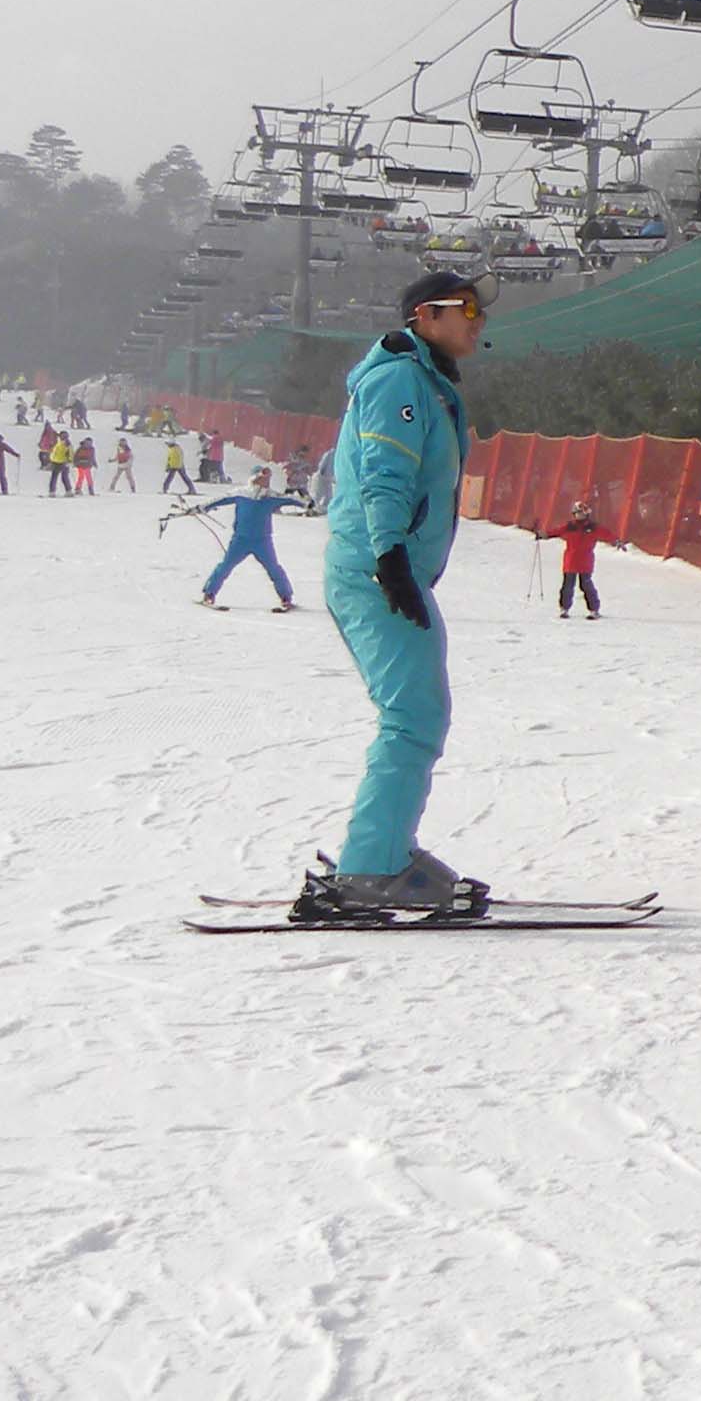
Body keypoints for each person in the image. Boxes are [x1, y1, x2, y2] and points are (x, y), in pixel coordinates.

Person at [303, 271, 488, 919]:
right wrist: (390, 559)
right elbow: (384, 474)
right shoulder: (400, 382)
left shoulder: (423, 381)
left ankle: (381, 852)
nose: (478, 321)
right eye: (467, 309)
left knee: (416, 713)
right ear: (425, 315)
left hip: (386, 566)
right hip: (376, 568)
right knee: (413, 715)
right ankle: (372, 866)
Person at [198, 474, 306, 610]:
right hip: (240, 540)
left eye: (268, 478)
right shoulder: (241, 493)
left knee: (274, 569)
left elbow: (291, 499)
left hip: (263, 541)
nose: (266, 481)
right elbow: (220, 500)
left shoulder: (271, 496)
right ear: (255, 478)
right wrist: (201, 507)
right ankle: (209, 594)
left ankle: (286, 597)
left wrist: (307, 503)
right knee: (225, 566)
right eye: (263, 478)